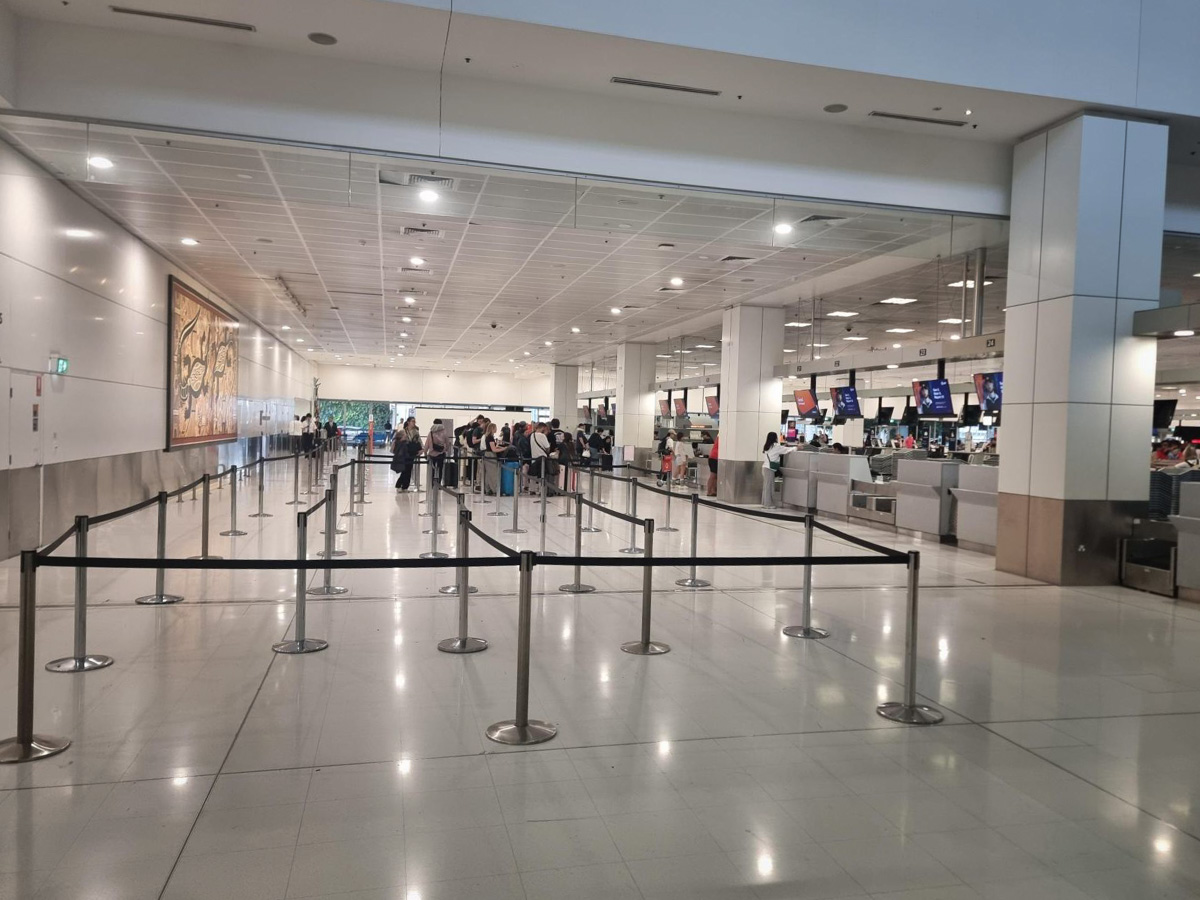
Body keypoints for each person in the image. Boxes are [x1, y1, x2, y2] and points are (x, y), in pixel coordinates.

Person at [761, 431, 793, 508]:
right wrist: (796, 448)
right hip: (769, 469)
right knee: (769, 487)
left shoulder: (767, 446)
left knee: (766, 486)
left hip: (765, 468)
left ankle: (765, 503)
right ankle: (768, 504)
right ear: (775, 438)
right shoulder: (776, 447)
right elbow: (786, 450)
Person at [391, 417, 421, 491]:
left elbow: (419, 441)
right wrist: (402, 439)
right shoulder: (403, 431)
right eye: (412, 421)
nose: (414, 423)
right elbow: (395, 440)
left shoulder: (416, 432)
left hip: (412, 452)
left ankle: (404, 486)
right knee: (404, 469)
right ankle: (399, 485)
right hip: (404, 452)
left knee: (409, 469)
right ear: (408, 422)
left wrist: (422, 449)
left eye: (414, 421)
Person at [424, 419, 450, 485]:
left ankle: (432, 482)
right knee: (440, 469)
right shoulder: (444, 432)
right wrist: (446, 449)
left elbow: (427, 444)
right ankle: (438, 483)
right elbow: (447, 443)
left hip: (432, 453)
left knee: (432, 469)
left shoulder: (431, 432)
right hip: (441, 453)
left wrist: (425, 452)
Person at [482, 422, 506, 495]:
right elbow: (494, 449)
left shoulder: (488, 436)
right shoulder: (490, 437)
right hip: (491, 455)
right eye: (495, 428)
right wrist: (504, 449)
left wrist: (500, 447)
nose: (496, 429)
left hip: (487, 455)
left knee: (488, 474)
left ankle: (488, 489)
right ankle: (496, 490)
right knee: (493, 473)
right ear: (492, 428)